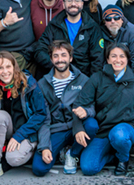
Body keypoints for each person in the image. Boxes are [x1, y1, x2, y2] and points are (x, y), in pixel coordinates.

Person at [74, 44, 134, 176]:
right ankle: (113, 155)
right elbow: (79, 105)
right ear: (107, 59)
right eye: (113, 56)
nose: (117, 60)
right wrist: (78, 128)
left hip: (125, 129)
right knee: (88, 168)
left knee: (119, 136)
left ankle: (123, 159)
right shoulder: (97, 78)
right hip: (103, 130)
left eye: (122, 56)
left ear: (127, 59)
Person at [0, 52, 48, 181]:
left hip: (27, 132)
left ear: (14, 67)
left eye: (8, 67)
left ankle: (29, 150)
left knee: (13, 159)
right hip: (8, 130)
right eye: (0, 68)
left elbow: (41, 114)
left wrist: (19, 135)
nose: (5, 71)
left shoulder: (29, 83)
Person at [33, 41, 98, 176]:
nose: (60, 59)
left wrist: (86, 112)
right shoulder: (42, 84)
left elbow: (93, 107)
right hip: (56, 129)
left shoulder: (83, 80)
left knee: (92, 125)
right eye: (56, 56)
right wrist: (44, 147)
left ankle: (72, 153)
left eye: (64, 55)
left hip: (78, 126)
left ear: (70, 58)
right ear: (51, 59)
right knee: (39, 168)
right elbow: (43, 118)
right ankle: (60, 150)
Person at [33, 0, 104, 78]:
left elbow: (97, 59)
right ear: (63, 4)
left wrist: (91, 84)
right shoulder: (54, 25)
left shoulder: (92, 27)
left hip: (82, 78)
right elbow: (39, 50)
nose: (73, 4)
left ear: (82, 4)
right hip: (57, 76)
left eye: (77, 0)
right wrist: (57, 65)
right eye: (69, 0)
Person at [99, 5, 134, 73]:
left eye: (116, 17)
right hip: (107, 74)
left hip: (129, 73)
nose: (113, 21)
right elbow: (99, 60)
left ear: (122, 19)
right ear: (104, 22)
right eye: (108, 18)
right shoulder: (99, 32)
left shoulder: (133, 33)